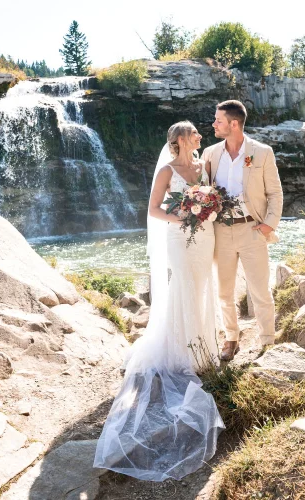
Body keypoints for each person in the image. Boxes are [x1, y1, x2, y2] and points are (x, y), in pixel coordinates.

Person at [93, 121, 224, 481]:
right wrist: (182, 216)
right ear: (181, 139)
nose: (200, 137)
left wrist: (207, 209)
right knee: (182, 285)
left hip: (206, 235)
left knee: (203, 285)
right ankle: (185, 352)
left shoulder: (204, 166)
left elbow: (215, 197)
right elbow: (153, 210)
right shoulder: (167, 171)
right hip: (179, 238)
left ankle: (206, 347)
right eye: (195, 133)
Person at [202, 100, 284, 361]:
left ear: (233, 124)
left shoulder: (262, 152)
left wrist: (269, 224)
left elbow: (275, 192)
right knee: (224, 292)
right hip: (221, 231)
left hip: (252, 230)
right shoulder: (210, 154)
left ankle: (267, 342)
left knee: (260, 290)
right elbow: (202, 190)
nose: (214, 124)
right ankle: (231, 339)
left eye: (218, 120)